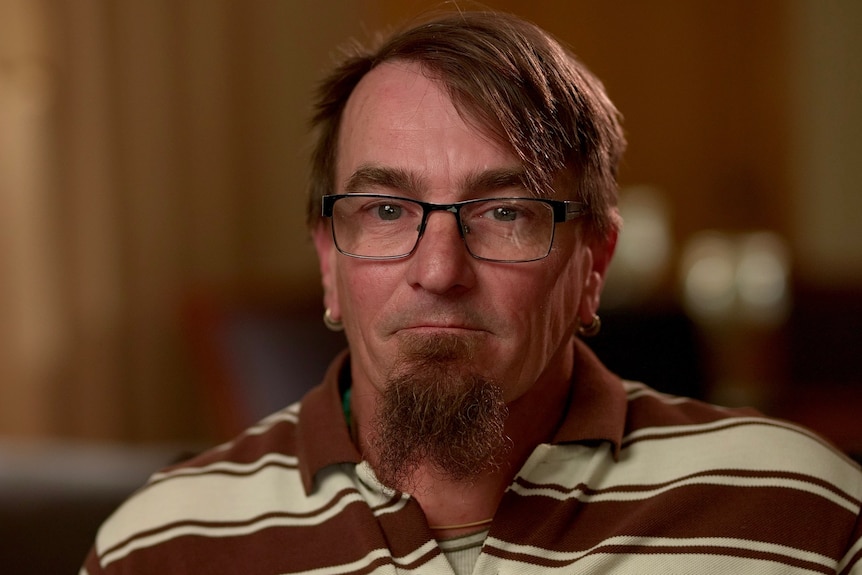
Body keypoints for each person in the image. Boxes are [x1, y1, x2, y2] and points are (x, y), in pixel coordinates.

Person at [82, 9, 861, 575]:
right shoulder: (162, 546)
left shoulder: (804, 514)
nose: (440, 269)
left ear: (593, 263)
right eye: (387, 211)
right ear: (328, 263)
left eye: (505, 212)